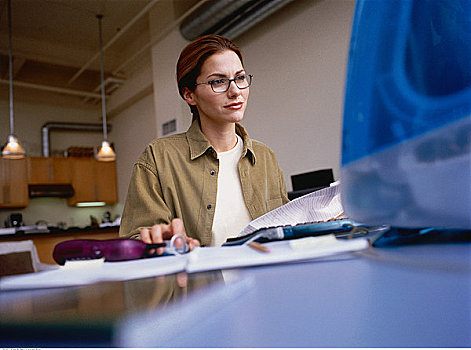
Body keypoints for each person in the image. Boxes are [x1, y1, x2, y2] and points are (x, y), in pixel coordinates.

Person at [119, 34, 289, 251]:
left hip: (266, 283)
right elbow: (135, 242)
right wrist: (165, 244)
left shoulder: (266, 157)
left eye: (240, 78)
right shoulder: (158, 157)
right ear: (190, 95)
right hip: (199, 285)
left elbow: (286, 232)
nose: (235, 91)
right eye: (218, 81)